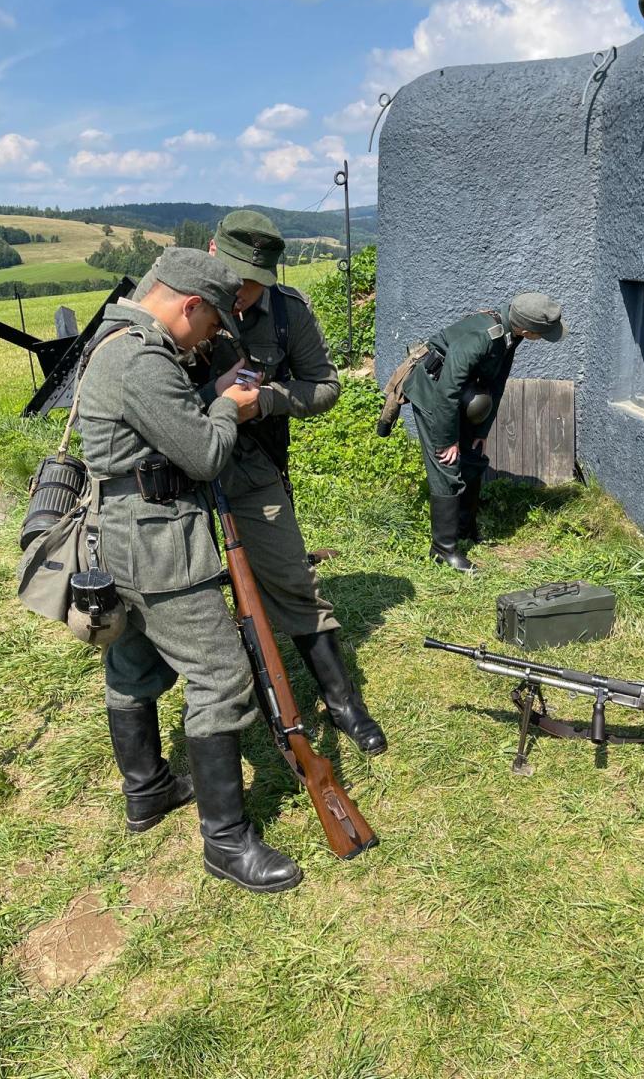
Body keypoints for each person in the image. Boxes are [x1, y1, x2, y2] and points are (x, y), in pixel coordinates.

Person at [77, 246, 303, 893]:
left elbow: (160, 423)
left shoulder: (116, 342)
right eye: (209, 323)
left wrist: (211, 393)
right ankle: (226, 842)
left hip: (120, 537)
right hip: (160, 545)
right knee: (221, 677)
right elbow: (203, 455)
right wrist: (231, 407)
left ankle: (147, 789)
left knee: (134, 664)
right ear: (191, 304)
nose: (207, 337)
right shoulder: (142, 357)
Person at [193, 211, 387, 755]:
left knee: (295, 580)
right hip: (179, 467)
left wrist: (266, 401)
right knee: (187, 592)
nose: (241, 293)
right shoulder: (173, 301)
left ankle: (342, 702)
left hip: (251, 465)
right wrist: (214, 397)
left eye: (253, 282)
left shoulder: (286, 312)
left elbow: (324, 386)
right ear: (211, 251)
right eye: (234, 278)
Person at [389, 293, 566, 573]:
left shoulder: (510, 335)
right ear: (527, 329)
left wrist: (481, 430)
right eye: (541, 333)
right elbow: (447, 390)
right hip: (435, 393)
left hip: (461, 395)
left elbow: (496, 384)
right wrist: (447, 440)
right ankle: (442, 549)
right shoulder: (483, 338)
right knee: (446, 467)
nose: (542, 338)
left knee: (472, 456)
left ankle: (465, 529)